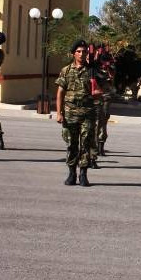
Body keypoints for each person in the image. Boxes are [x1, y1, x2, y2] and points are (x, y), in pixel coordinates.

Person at [55, 40, 96, 186]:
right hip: (70, 112)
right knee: (72, 144)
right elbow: (60, 92)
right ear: (73, 53)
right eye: (79, 51)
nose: (82, 54)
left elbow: (102, 89)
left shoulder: (92, 70)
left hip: (87, 113)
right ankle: (72, 173)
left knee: (85, 144)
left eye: (84, 51)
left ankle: (83, 174)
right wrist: (59, 113)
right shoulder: (66, 70)